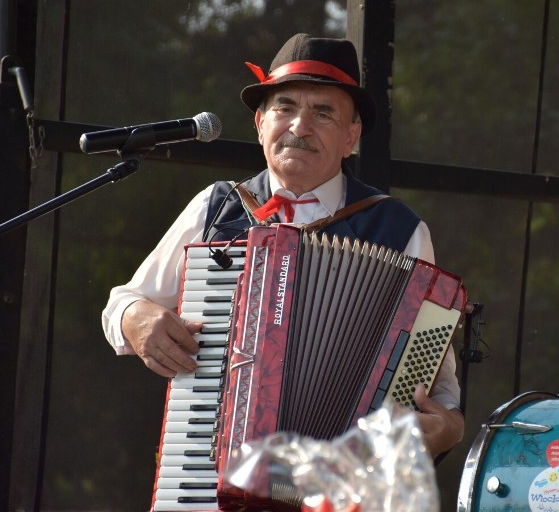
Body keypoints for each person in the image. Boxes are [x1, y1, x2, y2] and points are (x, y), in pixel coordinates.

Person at [101, 33, 464, 458]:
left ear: (352, 136)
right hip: (211, 468)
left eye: (323, 113)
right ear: (260, 125)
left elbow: (440, 391)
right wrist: (135, 318)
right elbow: (122, 303)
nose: (299, 126)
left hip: (345, 483)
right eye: (285, 108)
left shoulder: (399, 231)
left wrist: (448, 429)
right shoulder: (217, 209)